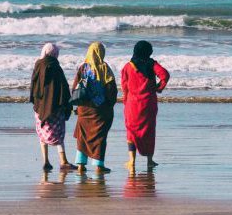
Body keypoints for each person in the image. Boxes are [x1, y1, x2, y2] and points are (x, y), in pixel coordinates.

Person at [121, 40, 170, 170]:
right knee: (149, 131)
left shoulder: (127, 66)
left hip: (132, 104)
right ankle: (149, 160)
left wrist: (125, 102)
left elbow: (124, 87)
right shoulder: (152, 64)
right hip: (149, 103)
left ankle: (131, 160)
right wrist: (159, 88)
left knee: (131, 131)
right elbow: (165, 75)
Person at [30, 43, 77, 171]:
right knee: (59, 133)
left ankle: (46, 161)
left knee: (42, 132)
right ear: (55, 53)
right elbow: (63, 87)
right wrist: (67, 105)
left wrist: (36, 102)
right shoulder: (56, 66)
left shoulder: (38, 65)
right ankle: (63, 161)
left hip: (40, 106)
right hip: (55, 107)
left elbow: (33, 84)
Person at [72, 41, 117, 173]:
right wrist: (109, 104)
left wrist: (76, 107)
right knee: (100, 137)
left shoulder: (83, 68)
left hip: (84, 109)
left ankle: (80, 164)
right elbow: (111, 90)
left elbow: (75, 88)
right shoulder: (105, 68)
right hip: (100, 110)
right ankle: (98, 165)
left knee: (83, 136)